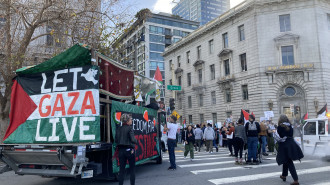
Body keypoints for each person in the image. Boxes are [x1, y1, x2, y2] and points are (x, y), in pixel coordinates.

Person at [276, 115, 304, 185]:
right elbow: (291, 135)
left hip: (284, 145)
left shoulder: (280, 127)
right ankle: (284, 175)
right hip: (291, 143)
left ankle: (296, 180)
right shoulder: (290, 126)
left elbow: (279, 137)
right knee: (286, 160)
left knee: (289, 162)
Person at [115, 114, 137, 185]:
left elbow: (116, 140)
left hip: (121, 151)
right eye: (131, 120)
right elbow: (133, 139)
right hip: (129, 150)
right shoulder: (130, 128)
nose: (131, 121)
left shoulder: (119, 128)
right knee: (132, 170)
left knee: (121, 170)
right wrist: (136, 141)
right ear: (127, 121)